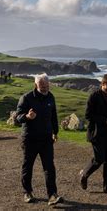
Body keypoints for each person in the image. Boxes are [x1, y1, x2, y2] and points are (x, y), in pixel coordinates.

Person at [15, 73, 63, 206]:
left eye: (47, 86)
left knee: (49, 167)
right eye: (42, 86)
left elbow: (53, 116)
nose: (45, 89)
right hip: (30, 138)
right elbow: (17, 118)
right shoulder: (26, 98)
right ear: (36, 85)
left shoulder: (50, 97)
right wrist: (27, 117)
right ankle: (27, 192)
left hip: (46, 138)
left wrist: (55, 132)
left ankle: (52, 195)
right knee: (27, 166)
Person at [79, 73, 107, 195]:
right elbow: (88, 115)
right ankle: (84, 174)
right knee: (99, 159)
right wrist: (105, 120)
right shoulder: (94, 96)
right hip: (97, 133)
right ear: (103, 84)